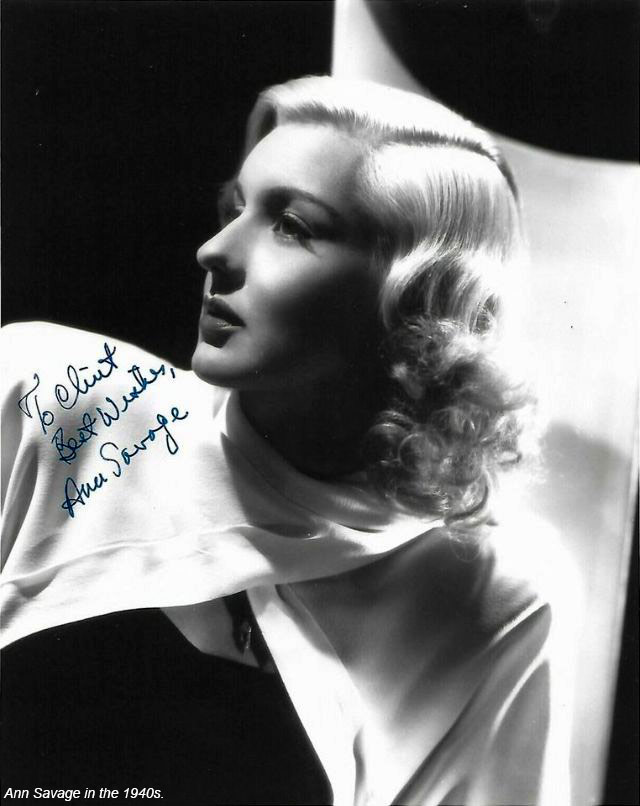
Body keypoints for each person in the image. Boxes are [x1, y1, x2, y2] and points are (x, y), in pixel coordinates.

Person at [1, 76, 575, 805]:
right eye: (235, 209)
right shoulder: (50, 395)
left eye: (293, 226)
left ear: (419, 298)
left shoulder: (491, 592)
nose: (214, 251)